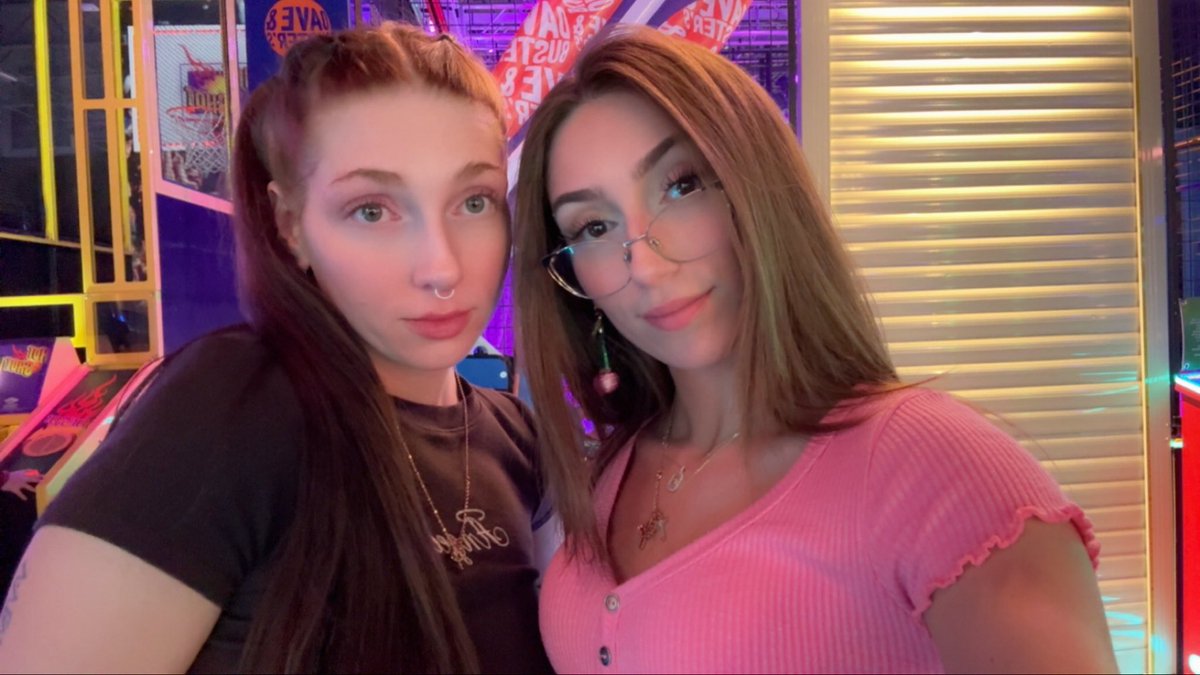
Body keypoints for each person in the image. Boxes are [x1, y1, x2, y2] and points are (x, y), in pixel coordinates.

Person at [513, 25, 1117, 674]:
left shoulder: (937, 470)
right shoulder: (608, 472)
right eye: (594, 226)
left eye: (681, 186)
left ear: (759, 186)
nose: (647, 266)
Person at [0, 24, 553, 673]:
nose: (441, 267)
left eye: (473, 201)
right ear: (291, 226)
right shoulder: (232, 408)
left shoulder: (516, 440)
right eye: (372, 210)